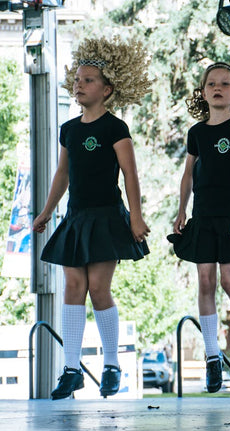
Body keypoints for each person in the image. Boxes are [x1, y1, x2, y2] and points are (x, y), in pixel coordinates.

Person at [32, 37, 152, 399]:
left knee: (99, 289)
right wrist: (47, 211)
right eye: (77, 80)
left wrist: (135, 217)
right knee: (72, 287)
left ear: (107, 89)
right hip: (76, 217)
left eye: (88, 80)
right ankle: (71, 368)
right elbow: (63, 174)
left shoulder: (115, 128)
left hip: (106, 218)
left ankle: (112, 364)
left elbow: (130, 175)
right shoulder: (69, 129)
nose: (79, 85)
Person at [168, 62, 230, 393]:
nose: (218, 88)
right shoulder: (197, 133)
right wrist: (181, 211)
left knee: (228, 279)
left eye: (225, 83)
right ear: (204, 91)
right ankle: (212, 357)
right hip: (203, 216)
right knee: (205, 281)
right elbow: (187, 175)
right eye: (212, 83)